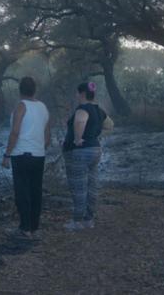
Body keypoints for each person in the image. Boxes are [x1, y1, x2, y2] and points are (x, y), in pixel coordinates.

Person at [2, 76, 51, 239]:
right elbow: (47, 136)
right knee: (36, 191)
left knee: (22, 192)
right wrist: (39, 148)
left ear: (20, 90)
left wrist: (7, 154)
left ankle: (25, 228)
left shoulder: (21, 107)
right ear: (34, 89)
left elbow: (15, 132)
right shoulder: (43, 108)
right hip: (39, 155)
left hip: (22, 154)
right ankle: (34, 227)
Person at [62, 81, 111, 231]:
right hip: (94, 150)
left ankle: (77, 222)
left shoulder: (82, 109)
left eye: (77, 93)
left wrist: (78, 138)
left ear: (82, 94)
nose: (76, 95)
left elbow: (80, 121)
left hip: (80, 152)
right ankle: (89, 219)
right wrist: (95, 136)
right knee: (91, 185)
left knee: (78, 186)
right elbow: (110, 125)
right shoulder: (99, 110)